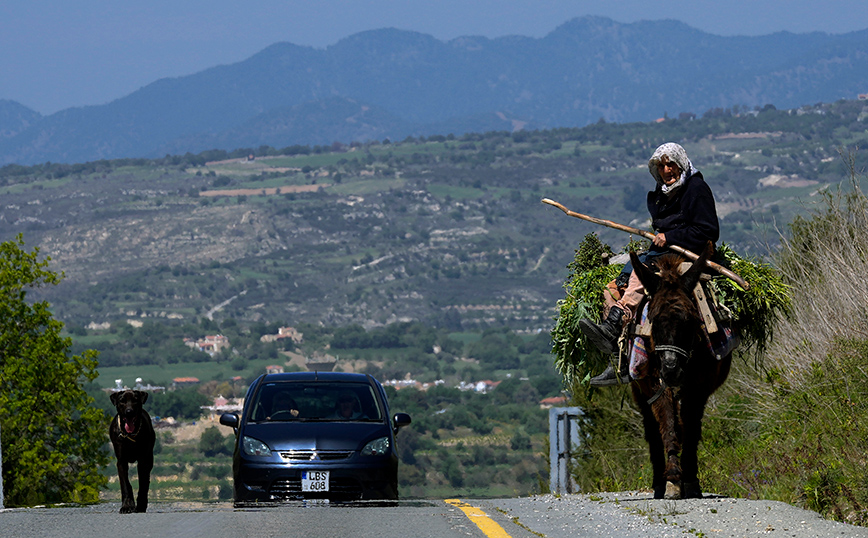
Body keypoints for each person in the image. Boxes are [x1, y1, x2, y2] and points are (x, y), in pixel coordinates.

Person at [580, 142, 720, 386]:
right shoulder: (662, 193)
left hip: (688, 255)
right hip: (663, 253)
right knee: (612, 288)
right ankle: (619, 359)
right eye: (661, 166)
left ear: (681, 165)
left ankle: (615, 322)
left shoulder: (696, 189)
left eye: (671, 165)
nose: (667, 170)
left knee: (637, 277)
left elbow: (708, 231)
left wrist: (671, 237)